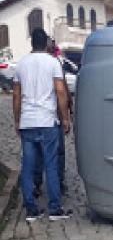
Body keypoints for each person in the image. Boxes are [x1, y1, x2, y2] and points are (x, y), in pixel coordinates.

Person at [13, 27, 72, 222]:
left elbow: (16, 96)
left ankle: (31, 209)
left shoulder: (21, 65)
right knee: (51, 164)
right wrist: (65, 118)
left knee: (28, 165)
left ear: (32, 43)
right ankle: (54, 208)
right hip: (47, 120)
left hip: (27, 122)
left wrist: (16, 120)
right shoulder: (52, 62)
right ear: (46, 43)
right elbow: (61, 92)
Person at [33, 37, 73, 196]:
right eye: (50, 43)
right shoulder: (48, 63)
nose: (52, 46)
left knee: (54, 151)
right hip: (50, 113)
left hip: (53, 111)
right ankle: (41, 182)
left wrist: (69, 103)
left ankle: (57, 181)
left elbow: (63, 86)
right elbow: (61, 88)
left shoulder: (55, 62)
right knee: (48, 150)